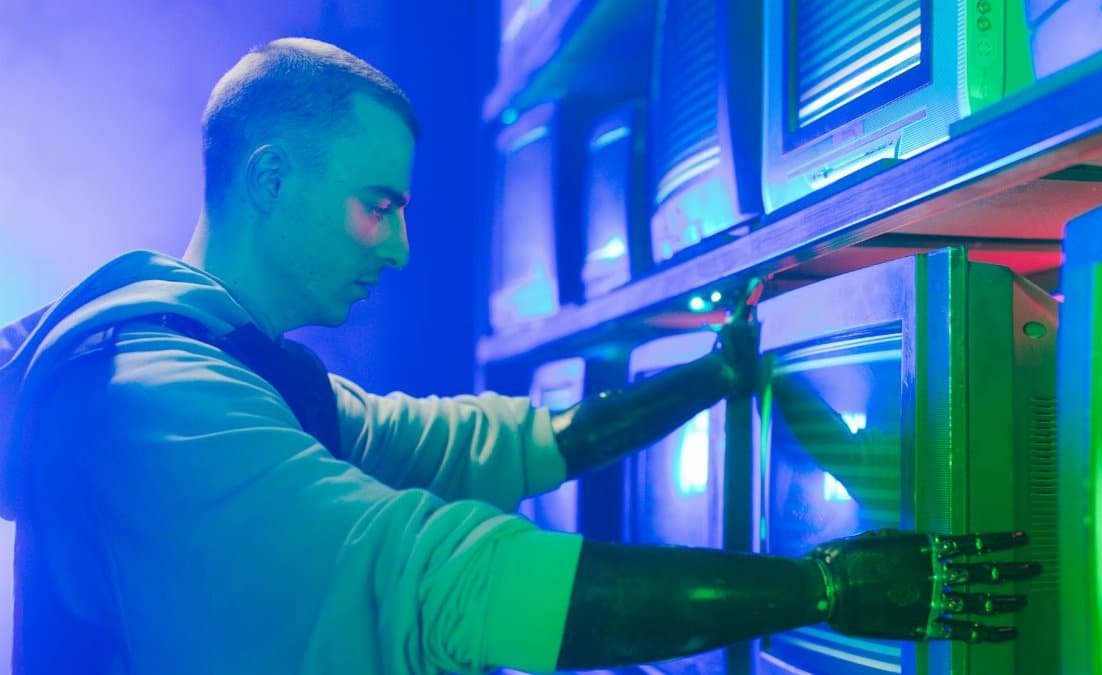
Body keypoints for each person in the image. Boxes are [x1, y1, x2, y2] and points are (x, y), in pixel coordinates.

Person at [0, 38, 1040, 674]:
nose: (401, 247)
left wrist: (713, 375)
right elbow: (438, 580)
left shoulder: (224, 354)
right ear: (270, 179)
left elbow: (457, 448)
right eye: (379, 207)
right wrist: (826, 590)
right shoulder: (157, 400)